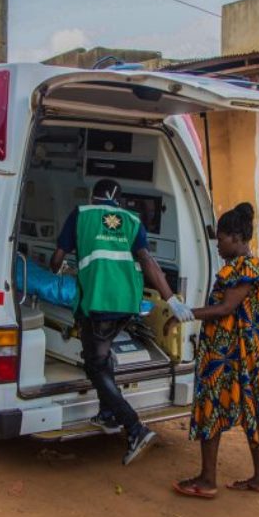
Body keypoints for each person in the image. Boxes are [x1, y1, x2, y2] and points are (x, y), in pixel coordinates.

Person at [49, 178, 194, 465]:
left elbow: (57, 259)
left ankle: (134, 428)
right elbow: (148, 261)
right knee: (103, 358)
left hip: (99, 302)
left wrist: (60, 268)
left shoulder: (81, 215)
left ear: (94, 196)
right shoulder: (131, 220)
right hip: (127, 304)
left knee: (95, 365)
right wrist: (172, 300)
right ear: (119, 200)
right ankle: (107, 413)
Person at [171, 203, 259, 498]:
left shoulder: (242, 269)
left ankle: (207, 479)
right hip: (258, 355)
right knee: (254, 409)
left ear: (237, 238)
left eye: (221, 239)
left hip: (233, 354)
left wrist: (184, 313)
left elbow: (226, 308)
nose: (218, 246)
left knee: (211, 405)